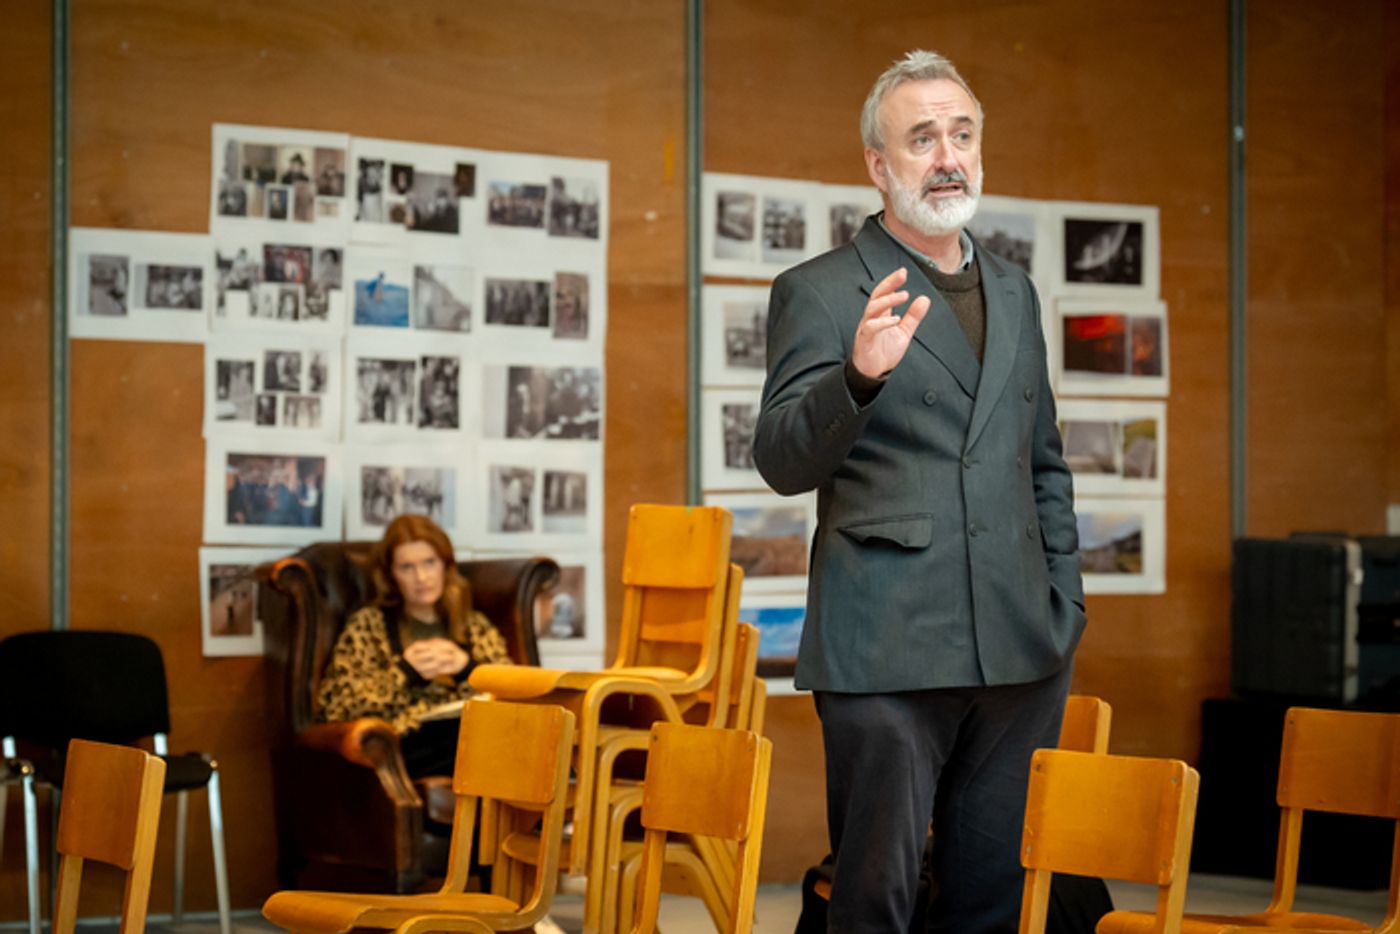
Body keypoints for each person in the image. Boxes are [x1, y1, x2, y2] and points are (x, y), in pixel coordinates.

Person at [752, 50, 1085, 933]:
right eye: (922, 137)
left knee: (996, 902)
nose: (948, 155)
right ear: (878, 164)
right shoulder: (819, 292)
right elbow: (782, 460)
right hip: (885, 649)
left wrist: (1064, 604)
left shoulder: (1015, 292)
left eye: (963, 134)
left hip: (1020, 646)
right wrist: (855, 379)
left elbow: (1042, 461)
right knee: (874, 902)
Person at [316, 514, 513, 777]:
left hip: (472, 735)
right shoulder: (368, 626)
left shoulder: (472, 624)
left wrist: (467, 668)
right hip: (409, 742)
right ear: (391, 575)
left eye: (429, 563)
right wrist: (405, 672)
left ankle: (559, 810)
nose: (421, 577)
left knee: (518, 736)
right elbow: (336, 706)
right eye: (407, 567)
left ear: (445, 565)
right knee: (474, 744)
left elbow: (513, 691)